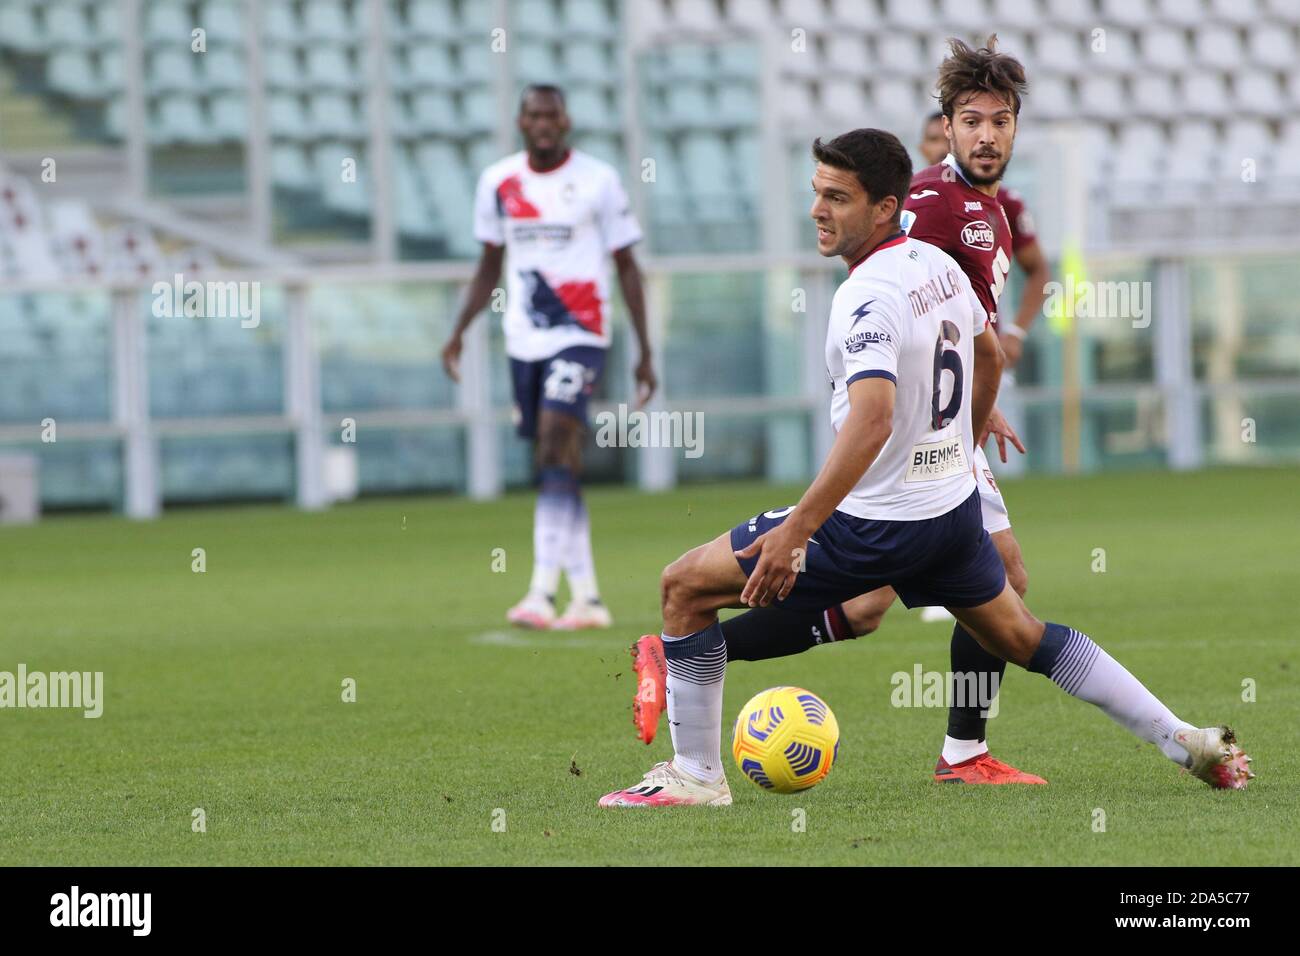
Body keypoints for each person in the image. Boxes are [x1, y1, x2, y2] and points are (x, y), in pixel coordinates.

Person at [600, 127, 1251, 808]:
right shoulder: (935, 264)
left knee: (683, 588)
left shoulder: (866, 296)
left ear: (885, 207)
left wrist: (797, 532)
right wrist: (957, 458)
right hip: (949, 513)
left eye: (837, 198)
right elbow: (989, 356)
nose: (818, 210)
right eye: (816, 193)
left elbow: (873, 418)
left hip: (874, 524)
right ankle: (1186, 741)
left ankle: (697, 776)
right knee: (1024, 634)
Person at [441, 85, 656, 631]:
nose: (542, 123)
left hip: (582, 332)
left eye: (551, 115)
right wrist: (460, 330)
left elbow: (627, 265)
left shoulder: (598, 180)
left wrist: (645, 349)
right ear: (520, 122)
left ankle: (540, 592)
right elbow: (489, 262)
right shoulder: (499, 182)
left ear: (565, 122)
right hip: (523, 339)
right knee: (557, 462)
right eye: (533, 115)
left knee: (556, 441)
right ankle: (587, 597)